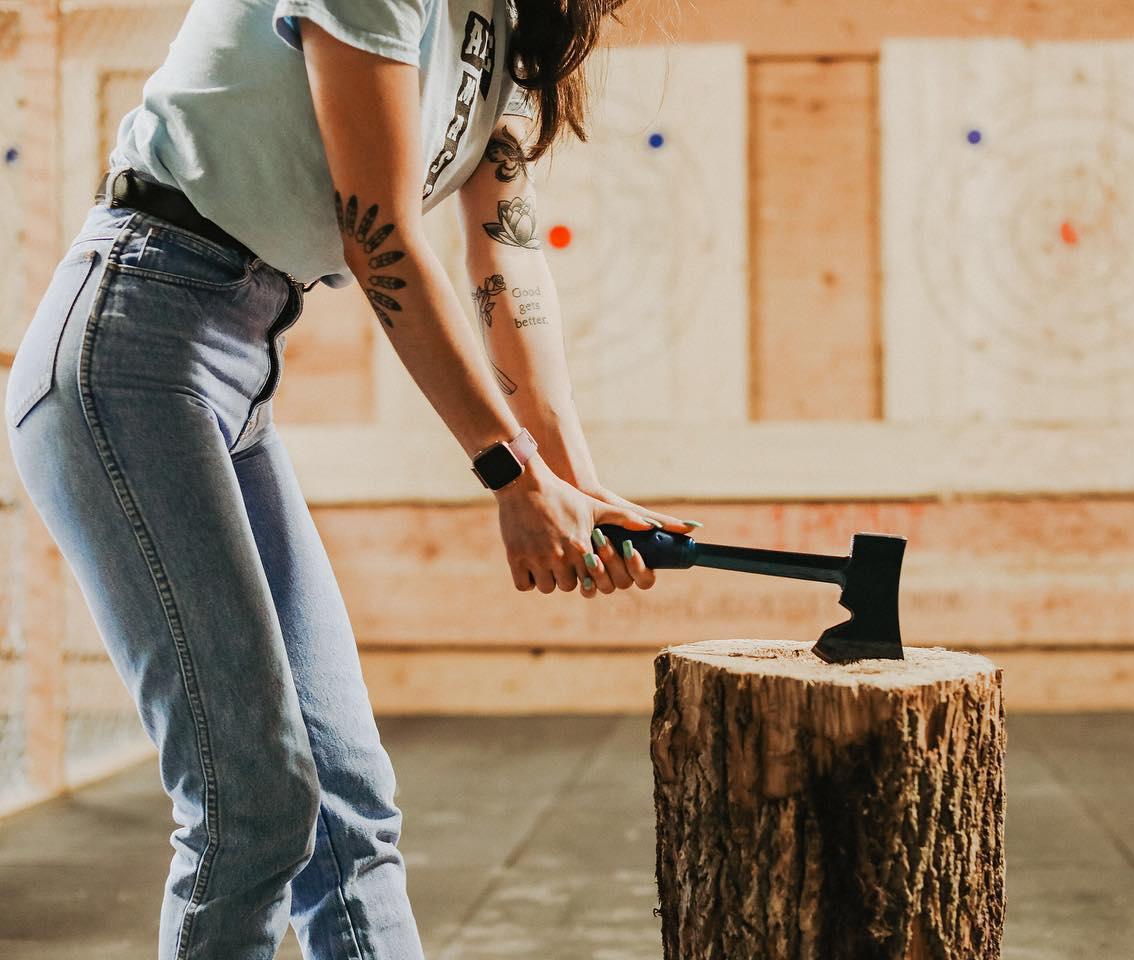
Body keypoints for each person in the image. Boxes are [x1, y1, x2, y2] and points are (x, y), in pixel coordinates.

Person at [2, 0, 696, 956]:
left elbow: (508, 257)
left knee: (347, 807)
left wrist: (573, 475)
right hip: (133, 339)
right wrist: (511, 471)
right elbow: (380, 235)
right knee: (251, 800)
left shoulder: (495, 29)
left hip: (239, 359)